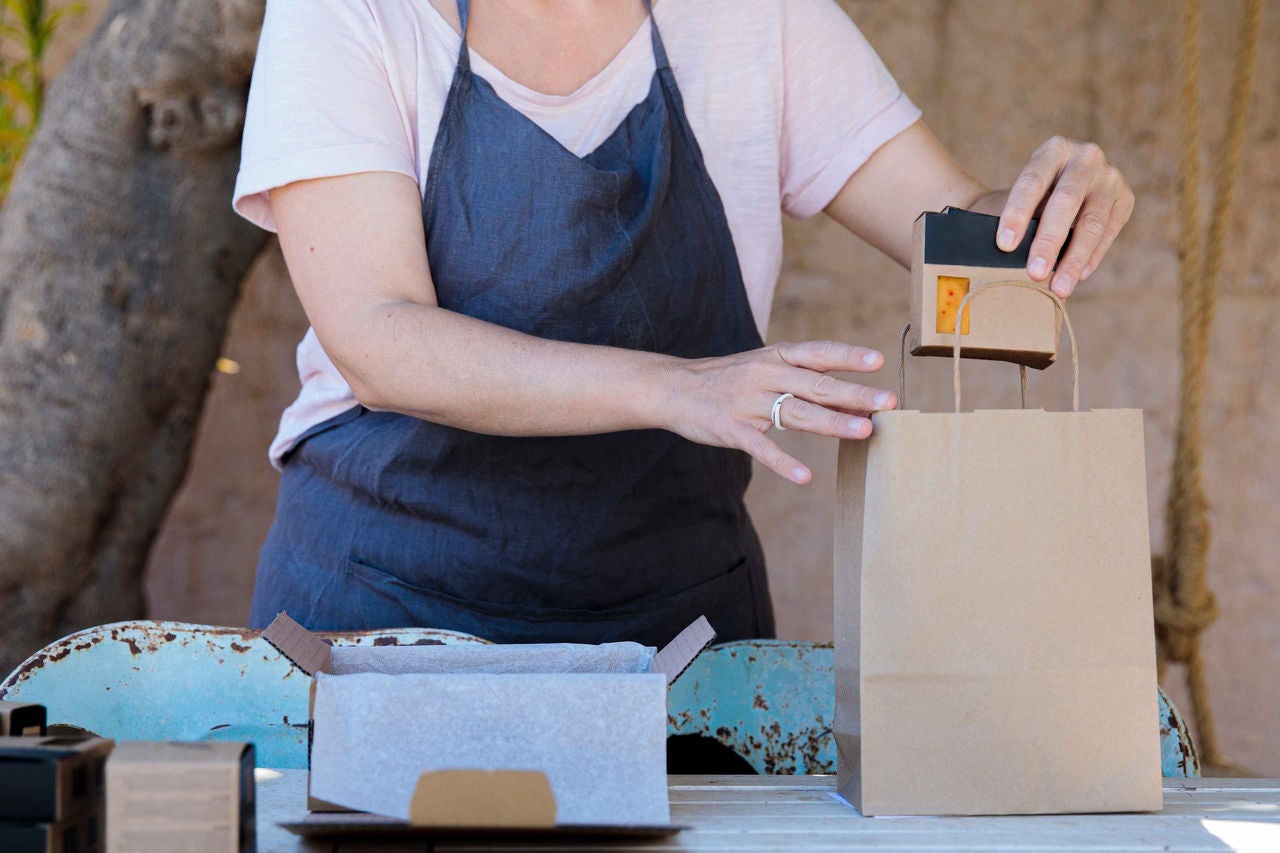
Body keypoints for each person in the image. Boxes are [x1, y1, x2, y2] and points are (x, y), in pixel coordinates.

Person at [233, 0, 1133, 646]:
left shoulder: (757, 19)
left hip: (680, 644)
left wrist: (1046, 217)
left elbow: (965, 251)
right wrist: (679, 387)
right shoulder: (347, 16)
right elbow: (380, 338)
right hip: (384, 615)